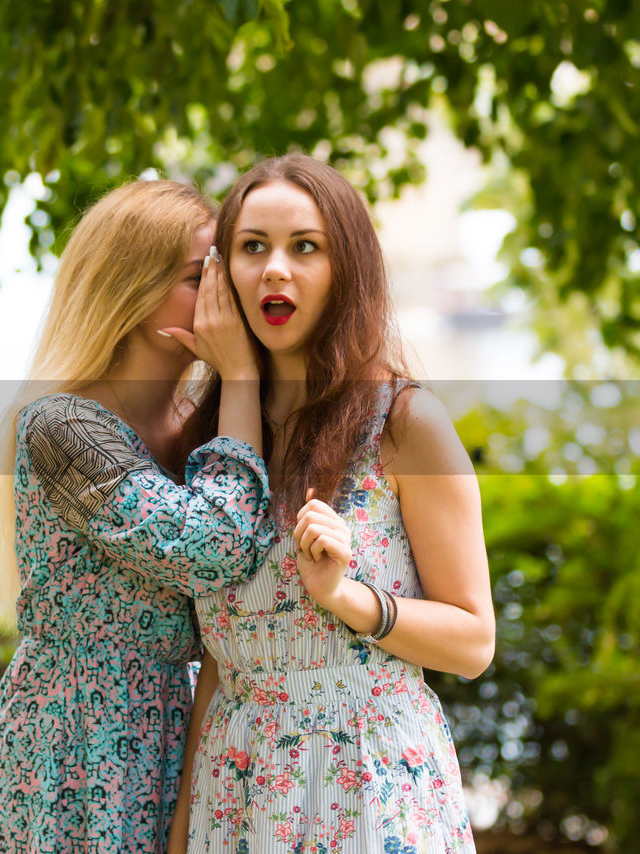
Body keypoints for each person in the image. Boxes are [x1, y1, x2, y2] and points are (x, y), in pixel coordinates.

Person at [170, 153, 494, 853]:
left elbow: (474, 641)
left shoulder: (404, 423)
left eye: (304, 247)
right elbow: (218, 664)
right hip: (238, 797)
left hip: (368, 788)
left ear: (345, 268)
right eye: (252, 247)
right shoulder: (213, 437)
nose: (275, 269)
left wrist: (349, 598)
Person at [0, 178, 274, 852]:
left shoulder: (204, 424)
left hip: (189, 733)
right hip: (73, 750)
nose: (231, 296)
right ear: (134, 287)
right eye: (205, 277)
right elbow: (220, 547)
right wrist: (245, 380)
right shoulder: (62, 426)